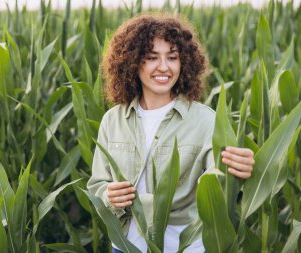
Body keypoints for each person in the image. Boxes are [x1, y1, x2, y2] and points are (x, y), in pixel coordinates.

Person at [87, 14, 255, 253]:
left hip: (186, 247)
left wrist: (238, 168)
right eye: (151, 57)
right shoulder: (112, 120)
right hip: (125, 245)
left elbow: (217, 180)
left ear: (184, 62)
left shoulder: (206, 121)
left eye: (172, 57)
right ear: (132, 62)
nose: (164, 67)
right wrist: (108, 197)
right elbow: (98, 184)